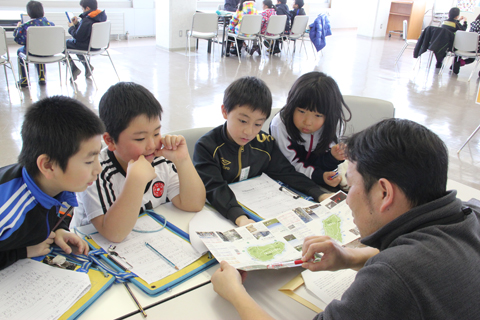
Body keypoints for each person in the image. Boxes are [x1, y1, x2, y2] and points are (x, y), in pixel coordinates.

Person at [211, 118, 480, 319]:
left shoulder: (392, 277)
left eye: (350, 186)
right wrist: (353, 257)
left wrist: (235, 293)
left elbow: (401, 273)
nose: (347, 198)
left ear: (384, 192)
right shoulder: (471, 213)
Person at [70, 82, 206, 242]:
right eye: (140, 138)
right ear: (110, 140)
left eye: (156, 133)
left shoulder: (159, 158)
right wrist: (135, 181)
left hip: (146, 241)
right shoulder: (96, 171)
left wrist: (182, 161)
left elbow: (194, 204)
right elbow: (114, 233)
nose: (152, 145)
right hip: (91, 248)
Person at [193, 77, 331, 227]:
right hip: (221, 216)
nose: (249, 131)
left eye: (258, 124)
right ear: (225, 112)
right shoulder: (207, 147)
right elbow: (214, 188)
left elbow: (286, 173)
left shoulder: (264, 143)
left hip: (258, 210)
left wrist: (319, 193)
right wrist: (239, 217)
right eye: (243, 121)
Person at [0, 96, 105, 270]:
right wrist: (22, 252)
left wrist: (58, 230)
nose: (98, 169)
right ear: (48, 166)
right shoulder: (7, 211)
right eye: (88, 161)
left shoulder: (62, 185)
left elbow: (57, 210)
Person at [269, 72, 351, 190]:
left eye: (318, 115)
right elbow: (288, 167)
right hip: (288, 181)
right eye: (302, 111)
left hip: (319, 181)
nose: (307, 122)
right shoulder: (281, 125)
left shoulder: (334, 123)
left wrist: (333, 157)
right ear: (291, 105)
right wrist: (319, 176)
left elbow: (324, 164)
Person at [13, 1, 55, 87]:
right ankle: (42, 76)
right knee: (40, 49)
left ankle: (24, 79)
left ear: (28, 14)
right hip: (47, 51)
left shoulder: (25, 26)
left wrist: (17, 28)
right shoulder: (50, 24)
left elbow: (19, 40)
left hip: (32, 51)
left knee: (20, 51)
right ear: (43, 12)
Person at [66, 0, 107, 81]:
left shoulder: (87, 19)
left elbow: (78, 36)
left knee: (63, 44)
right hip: (98, 46)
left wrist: (71, 27)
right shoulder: (100, 16)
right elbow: (85, 32)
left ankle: (74, 68)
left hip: (87, 46)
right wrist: (77, 24)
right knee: (75, 44)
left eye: (82, 9)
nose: (82, 11)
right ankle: (87, 66)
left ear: (87, 8)